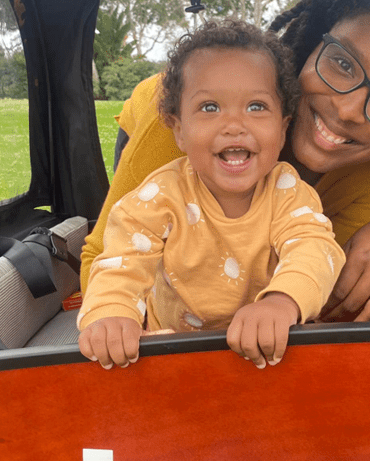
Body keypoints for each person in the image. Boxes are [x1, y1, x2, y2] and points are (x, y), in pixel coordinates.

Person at [80, 0, 370, 323]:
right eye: (342, 63)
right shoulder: (186, 119)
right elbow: (102, 257)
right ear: (308, 47)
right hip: (155, 122)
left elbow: (318, 296)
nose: (346, 110)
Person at [78, 21, 345, 370]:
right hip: (173, 353)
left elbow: (315, 249)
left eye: (256, 107)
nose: (234, 124)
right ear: (179, 131)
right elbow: (120, 263)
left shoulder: (289, 193)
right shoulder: (158, 196)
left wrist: (281, 302)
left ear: (282, 130)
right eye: (209, 108)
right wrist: (112, 314)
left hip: (264, 352)